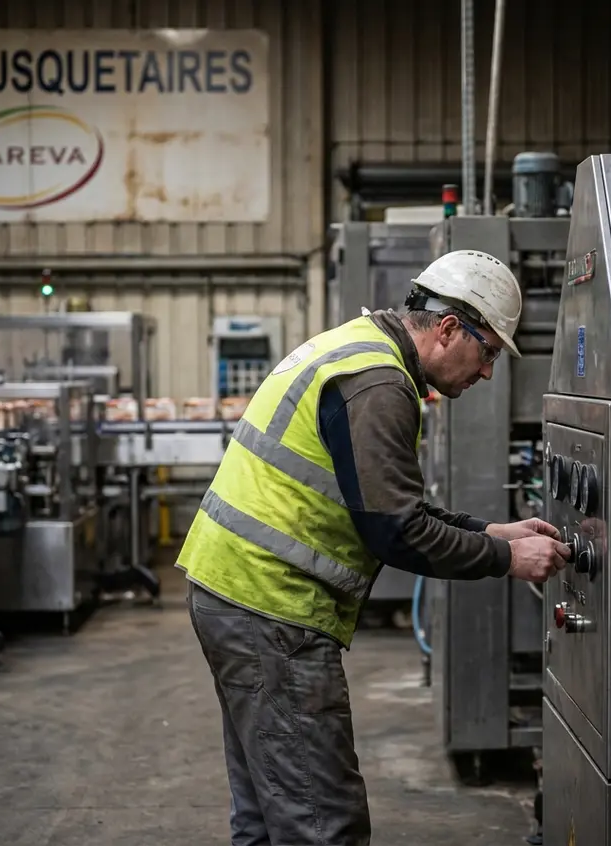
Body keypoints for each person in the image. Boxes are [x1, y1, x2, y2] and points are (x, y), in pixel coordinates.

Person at [178, 249, 571, 846]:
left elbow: (382, 497)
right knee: (321, 822)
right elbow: (398, 531)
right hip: (271, 606)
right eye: (488, 351)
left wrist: (489, 531)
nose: (488, 371)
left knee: (267, 811)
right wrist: (508, 560)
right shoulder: (380, 385)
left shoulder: (360, 349)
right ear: (446, 329)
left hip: (233, 594)